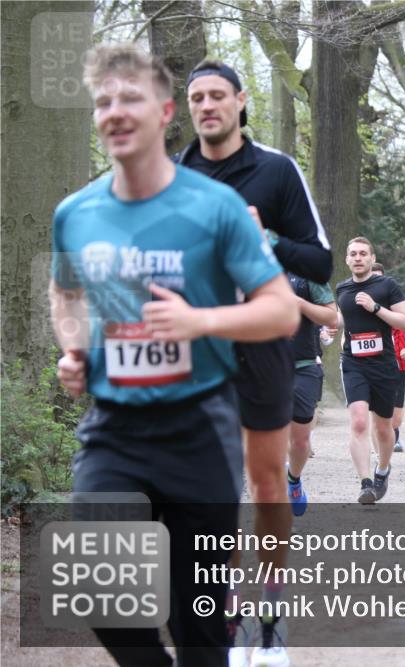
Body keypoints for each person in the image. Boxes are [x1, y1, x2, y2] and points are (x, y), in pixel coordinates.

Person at [50, 43, 299, 667]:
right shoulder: (75, 214)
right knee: (99, 590)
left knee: (200, 629)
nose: (114, 111)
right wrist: (74, 348)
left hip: (199, 431)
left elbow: (281, 310)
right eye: (103, 101)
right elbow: (66, 294)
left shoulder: (214, 208)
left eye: (130, 98)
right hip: (114, 429)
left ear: (165, 113)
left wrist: (199, 321)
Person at [177, 59, 332, 665]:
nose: (207, 105)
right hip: (195, 347)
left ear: (241, 101)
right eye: (196, 97)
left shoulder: (275, 170)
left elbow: (320, 263)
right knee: (207, 491)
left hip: (264, 345)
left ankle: (270, 618)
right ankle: (223, 613)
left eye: (217, 95)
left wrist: (265, 239)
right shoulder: (174, 176)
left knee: (266, 483)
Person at [335, 239, 405, 503]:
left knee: (383, 427)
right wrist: (331, 325)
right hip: (353, 363)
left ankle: (382, 470)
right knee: (359, 422)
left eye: (363, 254)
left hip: (383, 364)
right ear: (347, 259)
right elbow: (343, 319)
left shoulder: (387, 286)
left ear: (372, 258)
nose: (358, 258)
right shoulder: (342, 288)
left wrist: (376, 308)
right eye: (353, 254)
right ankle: (365, 483)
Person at [286, 273, 338, 517]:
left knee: (300, 441)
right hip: (263, 365)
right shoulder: (251, 267)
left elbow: (331, 316)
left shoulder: (307, 274)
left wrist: (299, 303)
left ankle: (293, 480)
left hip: (303, 365)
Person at [371, 263, 405, 453]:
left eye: (379, 278)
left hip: (400, 365)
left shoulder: (398, 304)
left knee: (396, 418)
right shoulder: (362, 306)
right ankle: (379, 451)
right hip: (374, 365)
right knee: (376, 413)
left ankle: (392, 435)